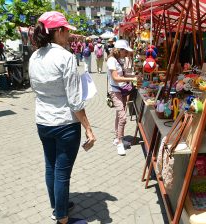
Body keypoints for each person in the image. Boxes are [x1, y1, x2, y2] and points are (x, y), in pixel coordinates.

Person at [29, 11, 96, 224]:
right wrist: (88, 127)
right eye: (66, 31)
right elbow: (75, 101)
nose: (68, 35)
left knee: (51, 167)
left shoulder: (34, 56)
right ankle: (62, 218)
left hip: (43, 121)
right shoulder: (65, 57)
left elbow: (35, 88)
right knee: (61, 173)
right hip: (65, 124)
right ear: (58, 32)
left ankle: (58, 206)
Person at [107, 40, 137, 156]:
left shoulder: (119, 60)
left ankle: (117, 137)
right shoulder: (111, 60)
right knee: (123, 117)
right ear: (120, 50)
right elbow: (116, 78)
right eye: (125, 51)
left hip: (122, 90)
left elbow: (123, 75)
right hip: (115, 91)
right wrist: (131, 79)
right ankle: (120, 142)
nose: (126, 53)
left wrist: (134, 76)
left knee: (119, 115)